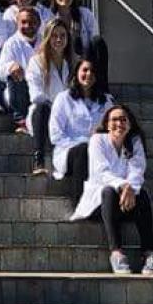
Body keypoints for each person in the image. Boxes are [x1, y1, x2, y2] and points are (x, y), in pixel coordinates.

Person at [72, 105, 153, 276]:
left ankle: (149, 254)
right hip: (100, 204)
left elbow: (138, 170)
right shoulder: (97, 140)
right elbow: (101, 172)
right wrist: (124, 186)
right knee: (109, 191)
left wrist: (130, 188)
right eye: (114, 120)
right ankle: (116, 253)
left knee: (144, 195)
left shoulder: (135, 142)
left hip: (126, 202)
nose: (119, 123)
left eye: (123, 119)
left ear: (130, 124)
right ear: (107, 124)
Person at [49, 59, 113, 205]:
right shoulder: (63, 99)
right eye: (84, 70)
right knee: (83, 151)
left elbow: (114, 132)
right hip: (68, 152)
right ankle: (79, 203)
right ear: (76, 73)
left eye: (92, 71)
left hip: (98, 153)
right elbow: (55, 135)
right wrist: (85, 142)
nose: (88, 74)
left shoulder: (107, 101)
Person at [27, 19, 76, 176]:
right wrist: (58, 107)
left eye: (62, 35)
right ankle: (38, 160)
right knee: (41, 108)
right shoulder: (36, 62)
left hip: (68, 116)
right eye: (54, 36)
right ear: (47, 38)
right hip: (43, 114)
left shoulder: (73, 63)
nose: (59, 40)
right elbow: (36, 95)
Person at [0, 7, 42, 133]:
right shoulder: (11, 43)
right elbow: (0, 72)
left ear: (39, 23)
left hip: (40, 87)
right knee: (14, 74)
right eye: (23, 22)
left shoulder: (45, 41)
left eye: (32, 22)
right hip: (19, 90)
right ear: (17, 23)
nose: (28, 25)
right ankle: (21, 121)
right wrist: (10, 67)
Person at [48, 0, 104, 66]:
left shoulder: (85, 14)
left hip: (83, 61)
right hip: (57, 62)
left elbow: (94, 39)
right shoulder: (48, 17)